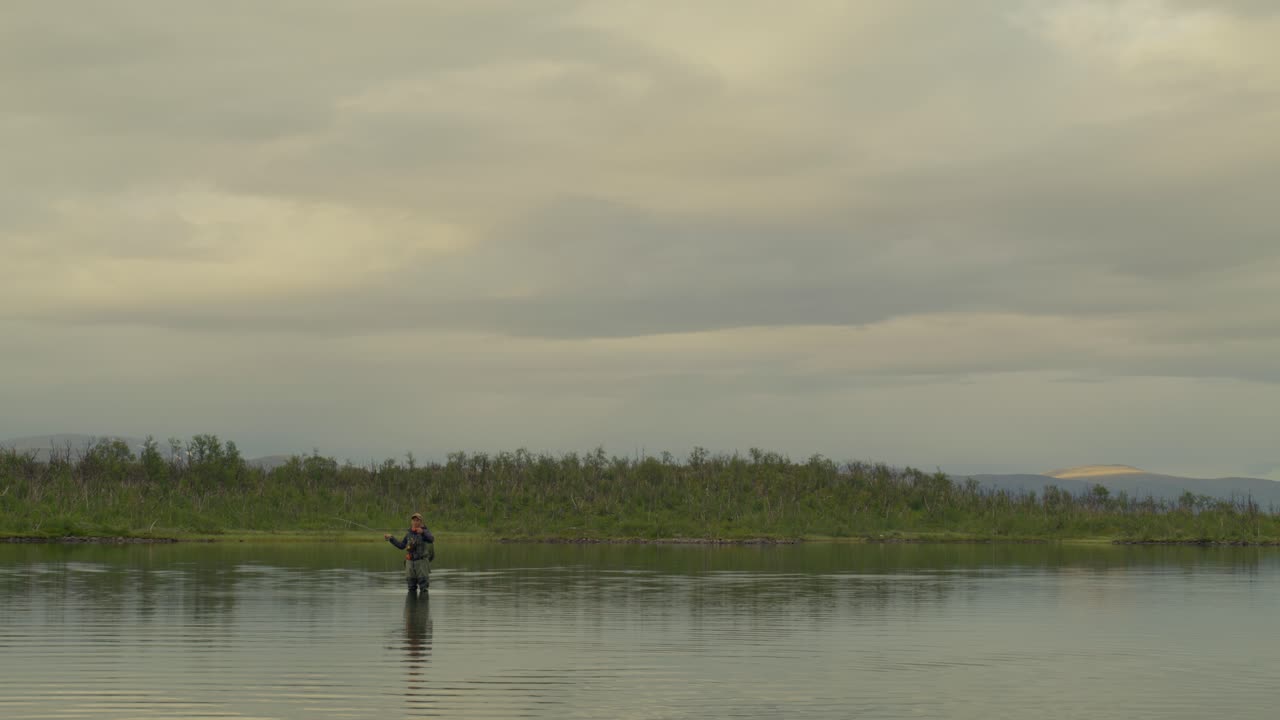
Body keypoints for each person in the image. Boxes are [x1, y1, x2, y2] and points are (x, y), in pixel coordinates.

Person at [384, 512, 434, 593]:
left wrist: (423, 532)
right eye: (414, 520)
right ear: (411, 522)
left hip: (421, 563)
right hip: (410, 563)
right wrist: (391, 538)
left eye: (418, 520)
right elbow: (401, 546)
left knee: (423, 588)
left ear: (421, 522)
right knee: (411, 587)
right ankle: (411, 606)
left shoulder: (425, 531)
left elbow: (431, 539)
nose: (415, 522)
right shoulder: (408, 534)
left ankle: (423, 605)